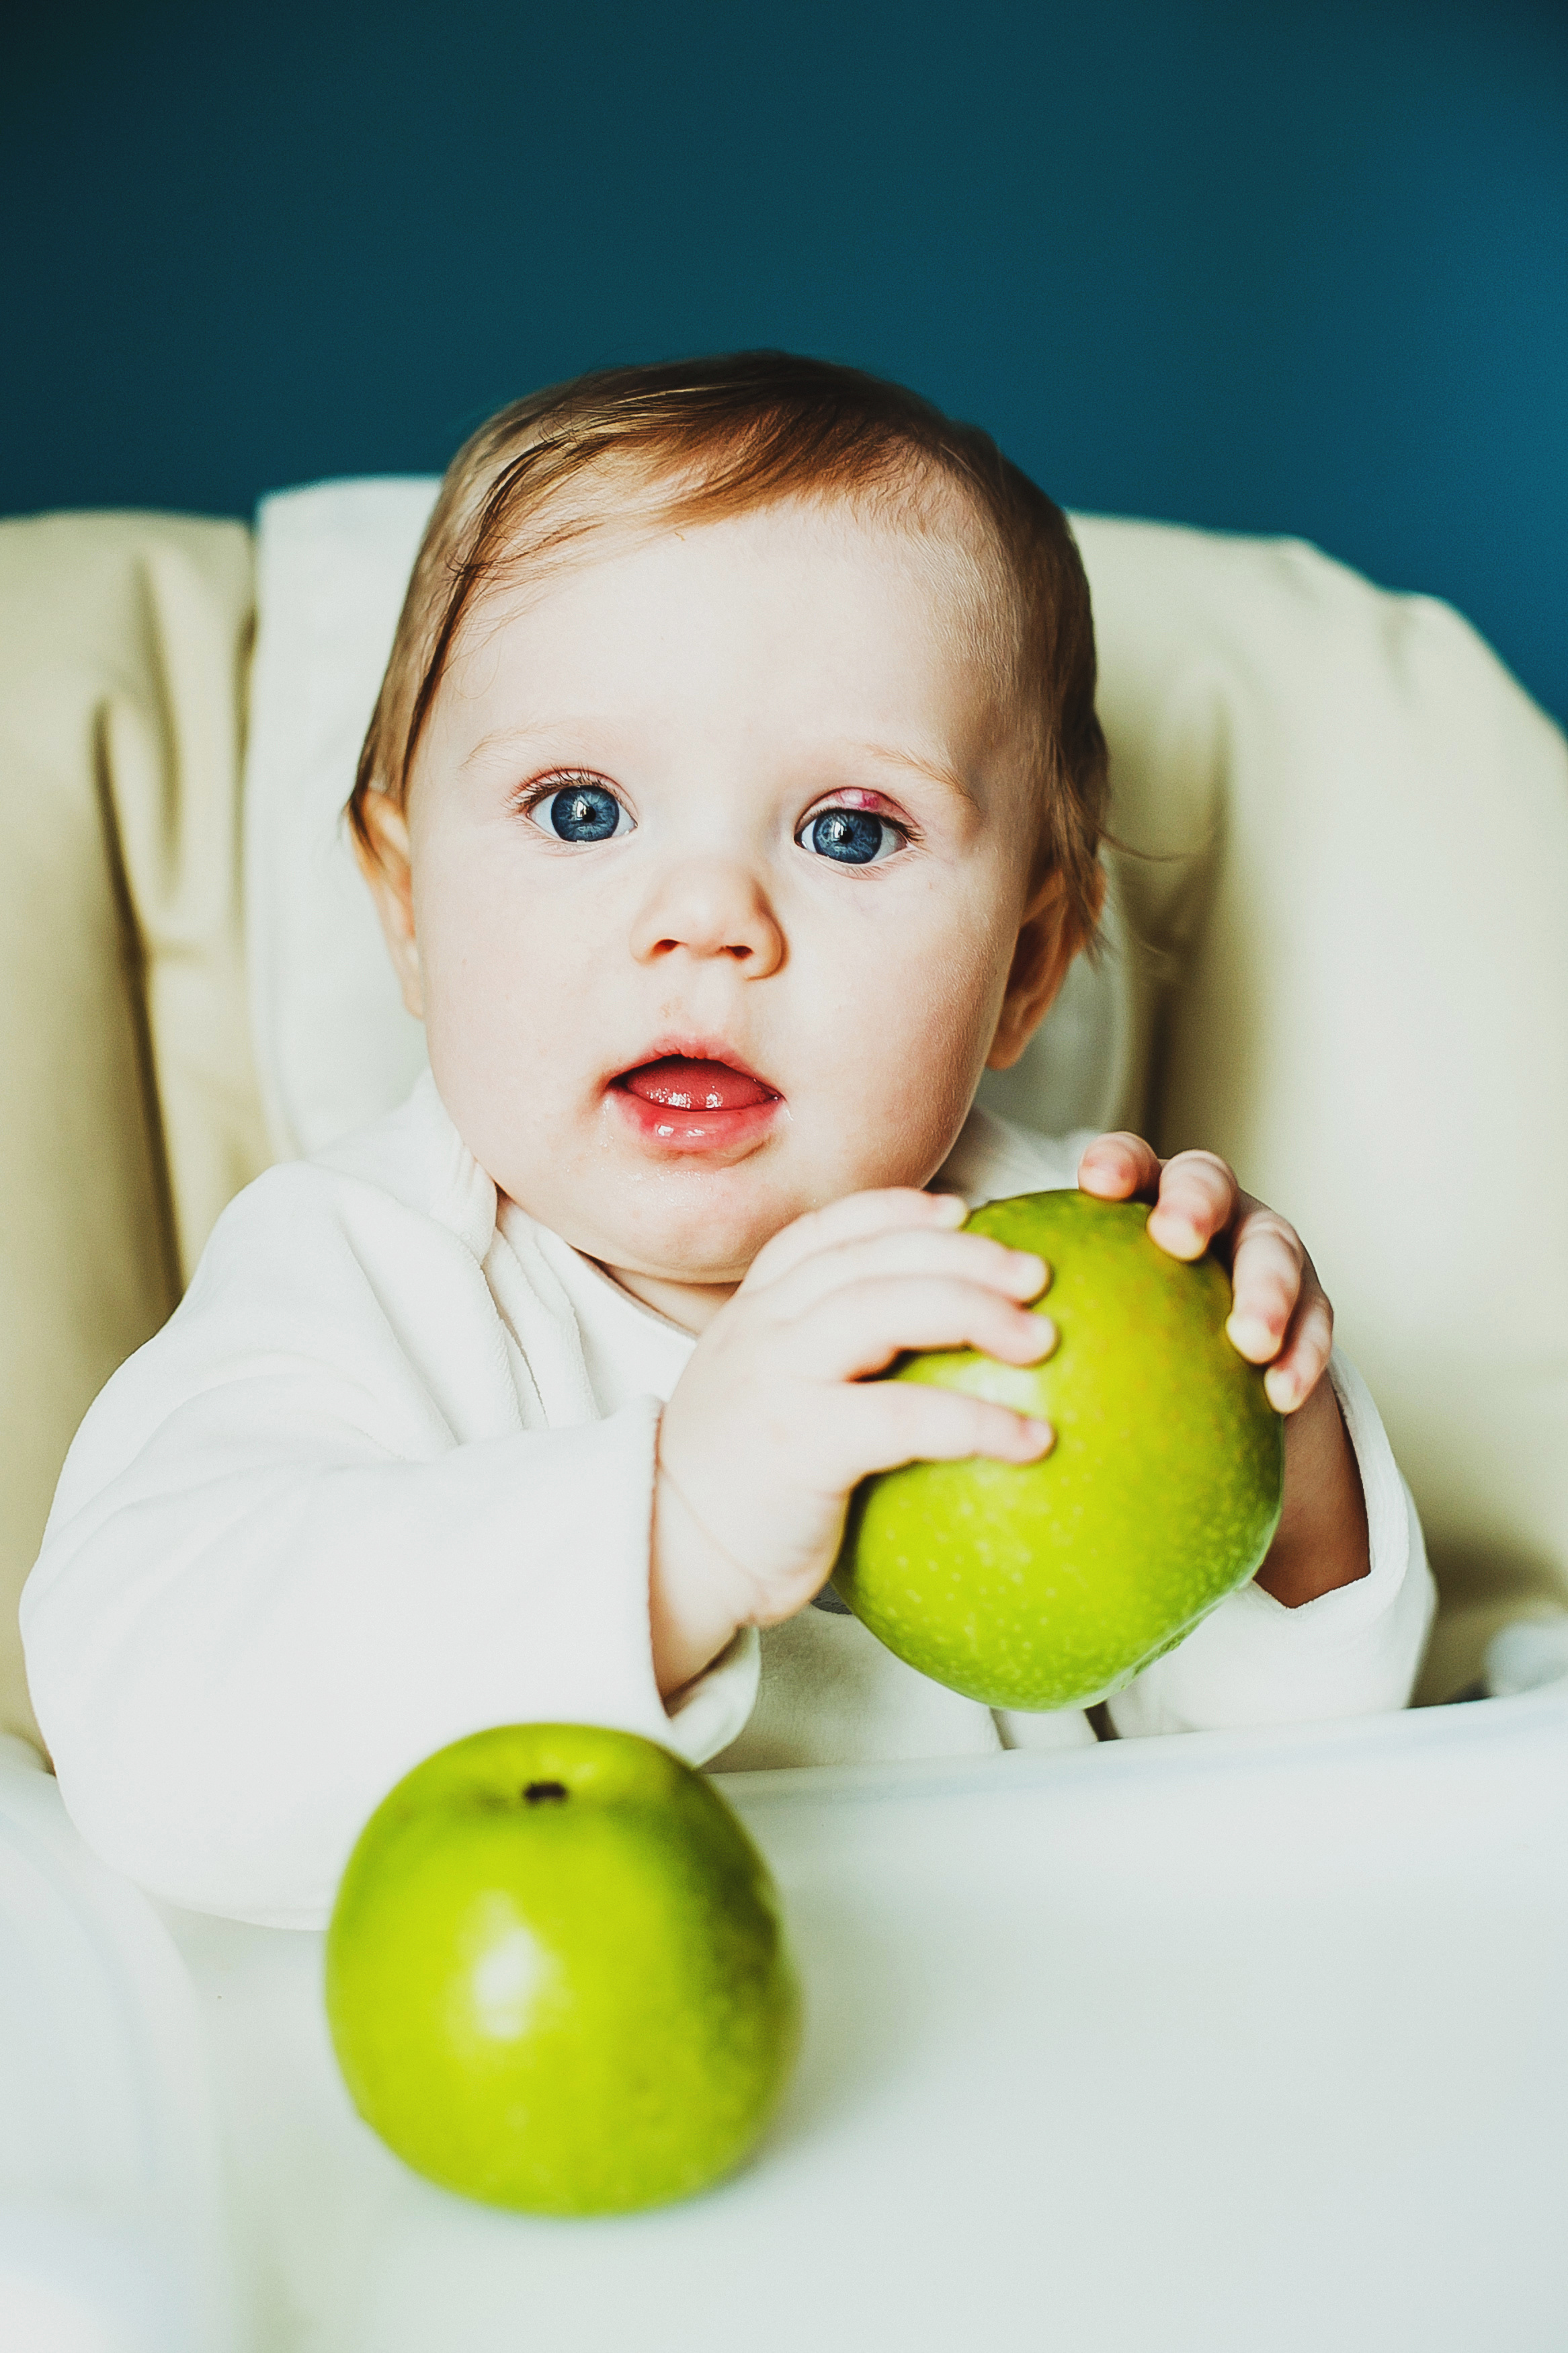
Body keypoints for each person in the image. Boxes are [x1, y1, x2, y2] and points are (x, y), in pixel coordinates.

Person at [21, 354, 1434, 1927]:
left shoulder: (1039, 1270)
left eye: (848, 831)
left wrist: (1287, 1475)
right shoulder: (363, 1271)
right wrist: (673, 1530)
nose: (708, 918)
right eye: (580, 809)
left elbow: (1298, 1812)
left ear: (1028, 964)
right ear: (407, 908)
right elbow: (153, 1717)